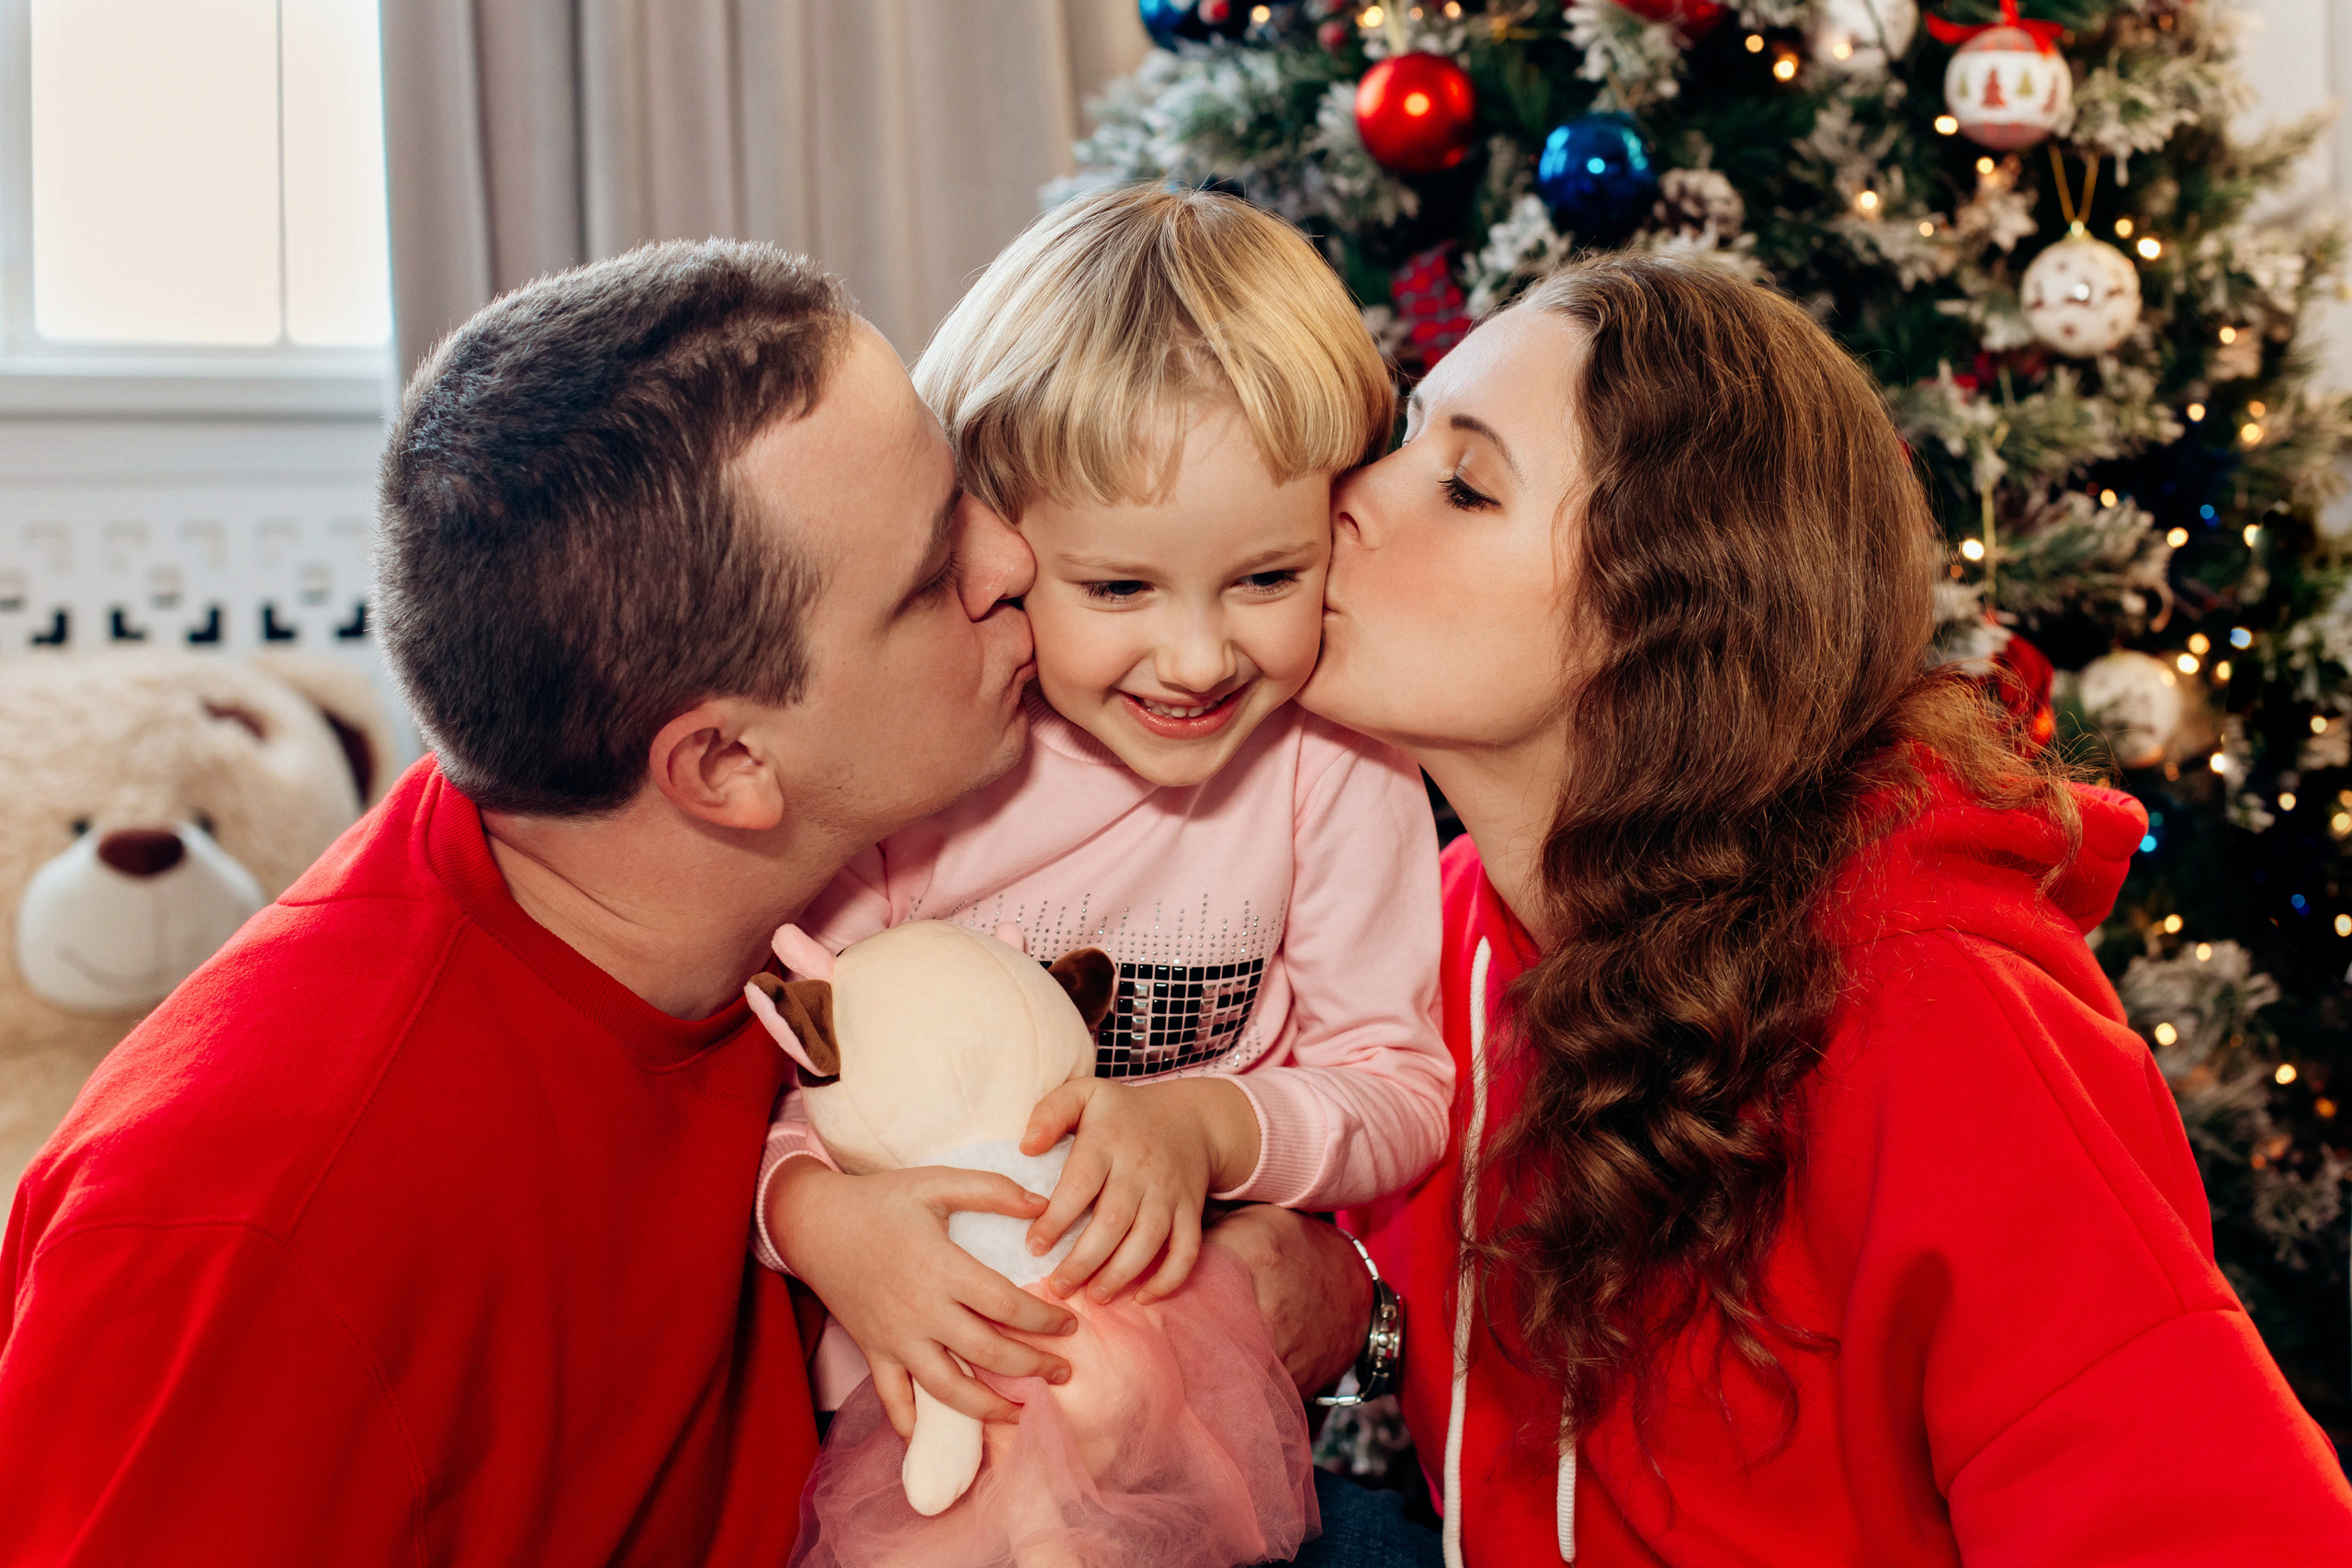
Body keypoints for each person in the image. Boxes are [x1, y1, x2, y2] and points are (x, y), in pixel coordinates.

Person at [1261, 254, 2352, 1564]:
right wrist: (1354, 1319)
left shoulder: (1933, 1004)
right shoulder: (1431, 937)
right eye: (1402, 436)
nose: (1349, 502)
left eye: (1464, 485)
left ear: (1660, 613)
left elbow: (2223, 1526)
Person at [0, 241, 1069, 1566]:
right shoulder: (259, 1231)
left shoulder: (861, 875)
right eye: (931, 576)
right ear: (727, 765)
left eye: (965, 488)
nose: (1016, 558)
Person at [755, 187, 1453, 1503]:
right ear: (996, 547)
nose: (1197, 659)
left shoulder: (1337, 761)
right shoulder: (933, 757)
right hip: (906, 1414)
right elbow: (788, 1078)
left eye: (1266, 578)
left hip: (1189, 1422)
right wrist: (817, 1220)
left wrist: (1208, 1128)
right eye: (1119, 588)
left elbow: (1399, 1084)